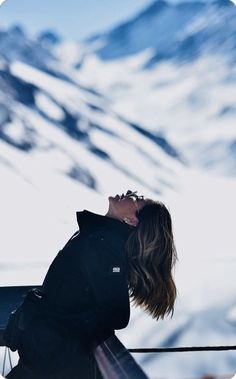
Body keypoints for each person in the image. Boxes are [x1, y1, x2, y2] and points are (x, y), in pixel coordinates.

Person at [5, 189, 177, 379]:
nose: (129, 192)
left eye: (137, 198)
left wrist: (54, 320)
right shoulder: (100, 237)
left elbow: (117, 315)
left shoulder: (105, 245)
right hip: (49, 356)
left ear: (132, 220)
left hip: (55, 361)